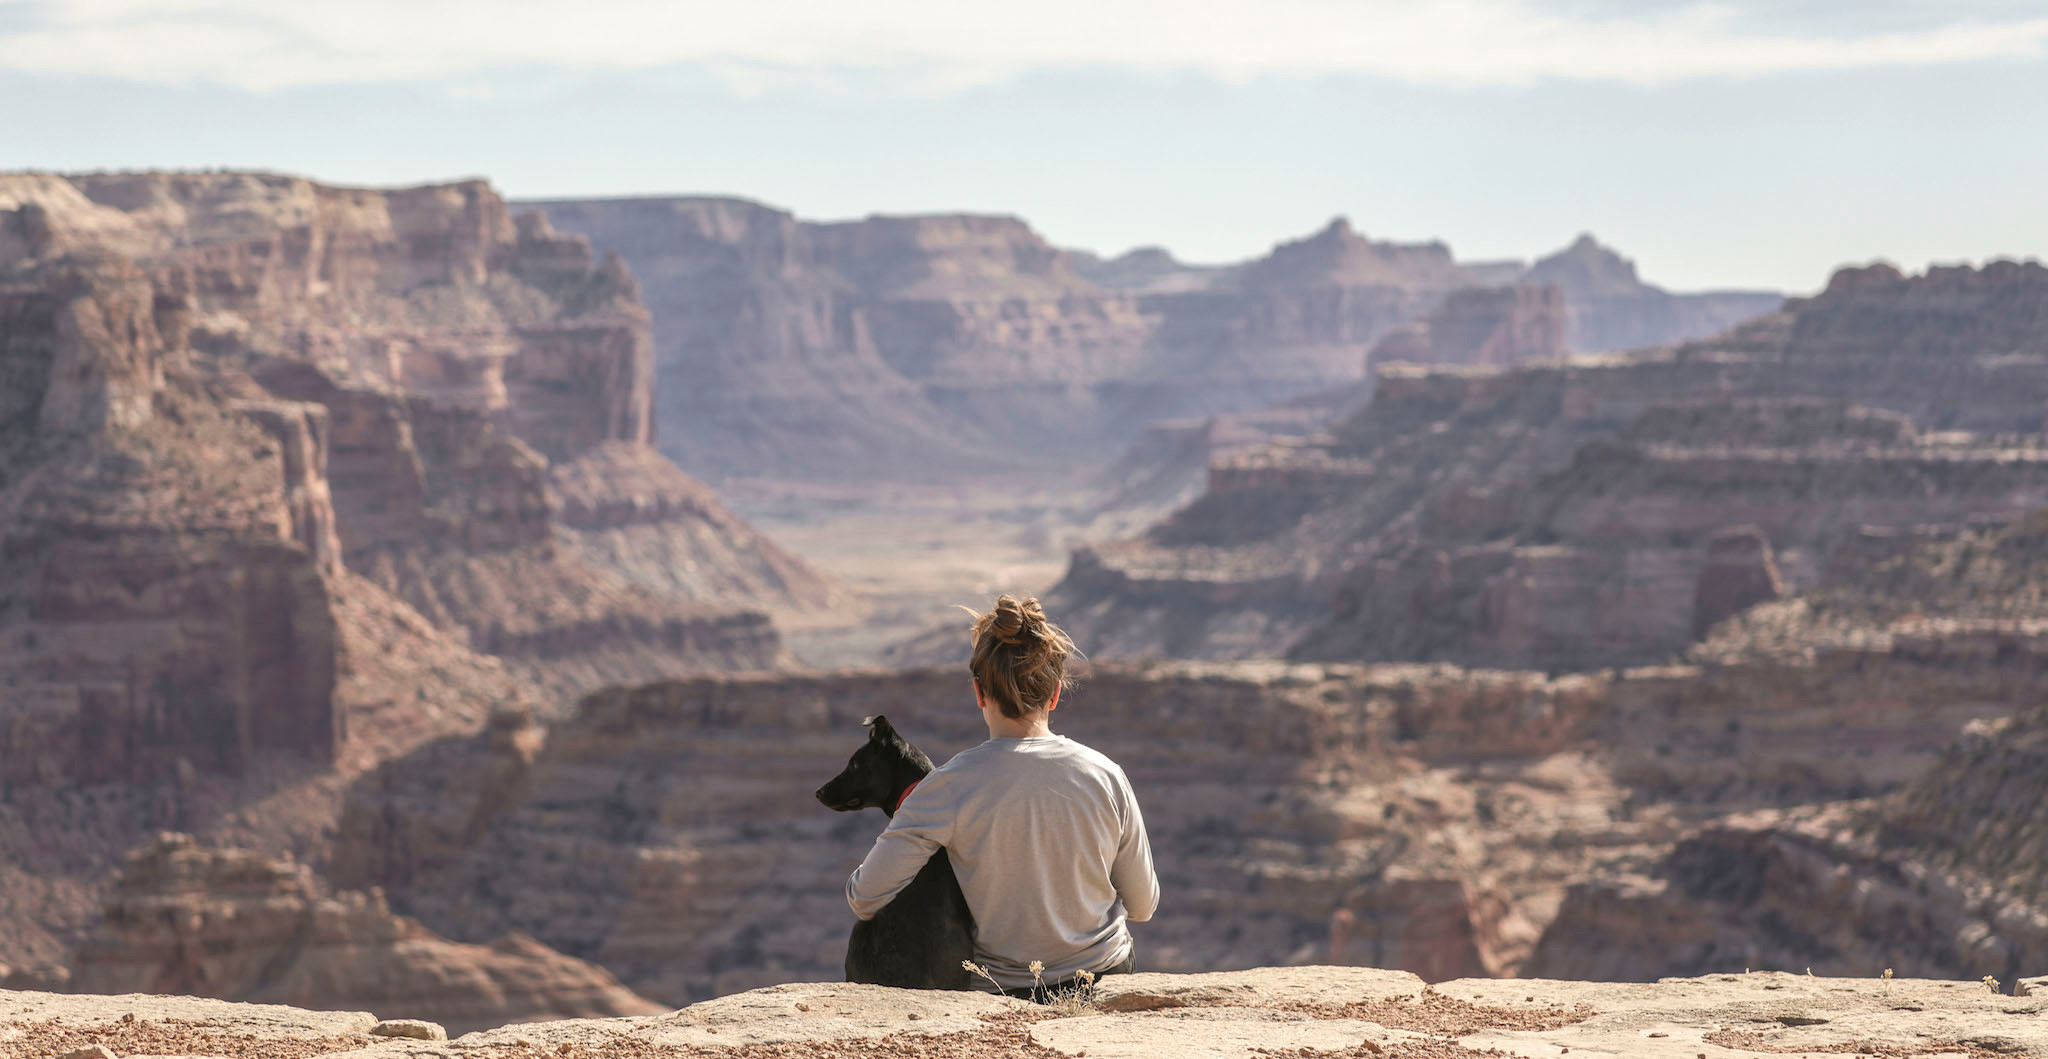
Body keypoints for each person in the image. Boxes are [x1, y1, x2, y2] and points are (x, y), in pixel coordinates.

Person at [845, 594, 1159, 999]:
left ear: (978, 692)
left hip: (1004, 992)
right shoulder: (1106, 776)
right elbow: (1143, 905)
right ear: (1055, 693)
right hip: (1104, 978)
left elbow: (863, 897)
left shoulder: (946, 788)